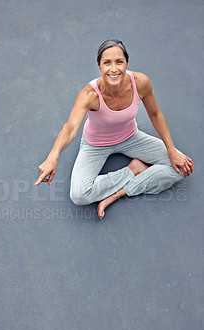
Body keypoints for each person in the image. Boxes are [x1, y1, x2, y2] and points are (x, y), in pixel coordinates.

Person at [35, 39, 194, 219]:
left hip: (131, 138)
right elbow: (70, 127)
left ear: (127, 63)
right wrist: (52, 157)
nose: (113, 69)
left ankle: (120, 193)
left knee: (180, 169)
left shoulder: (141, 83)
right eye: (107, 63)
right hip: (95, 145)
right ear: (99, 66)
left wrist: (171, 151)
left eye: (119, 62)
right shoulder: (89, 94)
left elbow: (156, 115)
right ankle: (132, 170)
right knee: (79, 195)